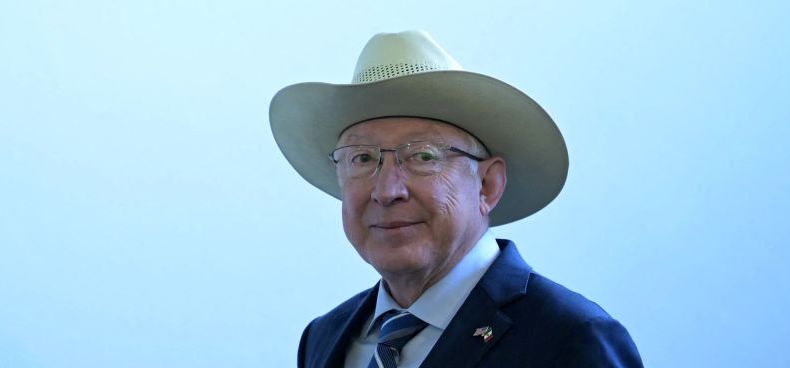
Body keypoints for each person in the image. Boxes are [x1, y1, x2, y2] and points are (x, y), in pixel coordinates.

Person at [270, 30, 642, 368]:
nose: (387, 191)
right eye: (363, 158)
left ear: (488, 185)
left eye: (423, 157)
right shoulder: (323, 339)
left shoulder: (570, 341)